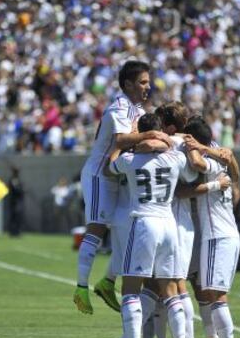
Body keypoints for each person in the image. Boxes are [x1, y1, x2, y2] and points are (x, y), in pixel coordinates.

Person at [73, 60, 171, 315]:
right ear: (127, 84)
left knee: (127, 232)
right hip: (99, 175)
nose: (148, 87)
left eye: (148, 82)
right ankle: (81, 287)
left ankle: (106, 282)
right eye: (142, 82)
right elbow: (121, 139)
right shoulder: (119, 106)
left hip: (118, 175)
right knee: (96, 229)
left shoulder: (135, 109)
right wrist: (152, 136)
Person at [108, 113, 198, 338]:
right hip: (169, 224)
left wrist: (127, 141)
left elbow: (109, 165)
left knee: (131, 288)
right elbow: (191, 175)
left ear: (143, 133)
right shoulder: (175, 157)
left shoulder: (130, 159)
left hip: (144, 223)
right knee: (172, 291)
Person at [182, 117, 240, 338]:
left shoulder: (209, 160)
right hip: (225, 233)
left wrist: (195, 149)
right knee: (209, 292)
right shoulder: (221, 155)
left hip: (217, 235)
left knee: (217, 296)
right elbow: (236, 173)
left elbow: (196, 162)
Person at [8, 166, 25, 236]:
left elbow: (21, 189)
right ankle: (12, 232)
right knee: (13, 217)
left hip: (19, 201)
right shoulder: (12, 180)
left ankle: (18, 231)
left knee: (19, 216)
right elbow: (15, 190)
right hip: (14, 201)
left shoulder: (18, 180)